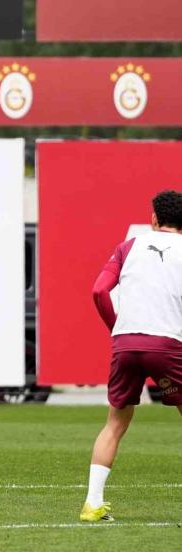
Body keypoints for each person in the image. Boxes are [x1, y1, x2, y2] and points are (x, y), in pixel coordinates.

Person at [81, 190, 182, 522]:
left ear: (154, 218)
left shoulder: (128, 247)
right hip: (168, 345)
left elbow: (99, 290)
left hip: (126, 344)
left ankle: (92, 503)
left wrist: (116, 327)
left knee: (115, 423)